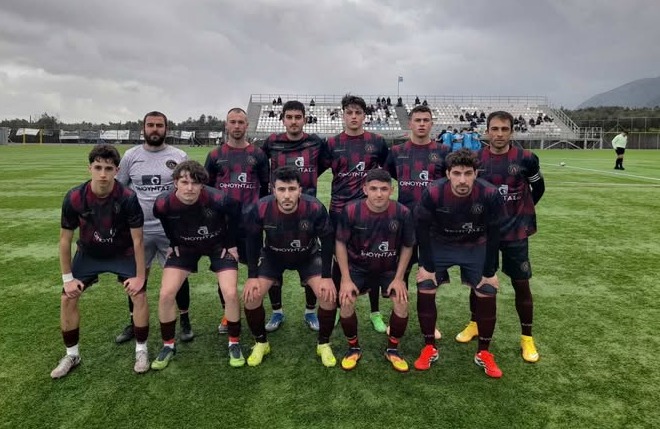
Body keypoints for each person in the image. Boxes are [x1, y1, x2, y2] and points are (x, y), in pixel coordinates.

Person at [51, 144, 149, 379]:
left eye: (108, 168)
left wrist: (140, 277)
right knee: (67, 297)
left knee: (139, 294)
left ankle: (142, 350)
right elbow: (65, 240)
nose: (103, 174)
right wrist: (67, 279)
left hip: (122, 252)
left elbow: (138, 240)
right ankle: (72, 355)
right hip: (89, 254)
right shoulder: (75, 197)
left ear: (117, 170)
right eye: (98, 168)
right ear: (90, 168)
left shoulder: (128, 198)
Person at [455, 111, 545, 364]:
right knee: (478, 282)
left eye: (504, 129)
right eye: (494, 129)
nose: (499, 134)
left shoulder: (526, 158)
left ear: (512, 132)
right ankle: (474, 323)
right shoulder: (476, 159)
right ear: (487, 131)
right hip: (484, 233)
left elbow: (539, 187)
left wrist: (522, 210)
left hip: (516, 232)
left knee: (521, 283)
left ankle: (526, 337)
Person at [414, 148, 505, 378]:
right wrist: (426, 266)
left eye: (467, 173)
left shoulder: (490, 194)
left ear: (476, 173)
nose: (462, 180)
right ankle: (429, 347)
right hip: (440, 243)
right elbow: (421, 230)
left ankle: (484, 352)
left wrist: (490, 271)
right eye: (456, 173)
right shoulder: (433, 192)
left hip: (474, 244)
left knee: (488, 289)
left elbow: (495, 233)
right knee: (425, 285)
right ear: (448, 174)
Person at [150, 161, 243, 370]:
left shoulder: (217, 198)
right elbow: (164, 220)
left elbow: (236, 211)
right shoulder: (163, 203)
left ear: (202, 184)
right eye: (184, 182)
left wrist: (230, 243)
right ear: (175, 183)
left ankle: (234, 342)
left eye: (195, 183)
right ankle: (168, 345)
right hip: (185, 246)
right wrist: (173, 243)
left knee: (230, 293)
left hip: (217, 245)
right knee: (166, 294)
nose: (190, 188)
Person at [242, 167, 337, 367]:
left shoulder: (314, 207)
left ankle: (323, 343)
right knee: (251, 296)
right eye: (282, 189)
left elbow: (328, 241)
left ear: (300, 190)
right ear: (273, 190)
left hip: (308, 255)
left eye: (292, 189)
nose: (287, 195)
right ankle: (261, 343)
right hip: (273, 255)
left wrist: (327, 277)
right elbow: (252, 241)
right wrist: (252, 276)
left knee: (328, 296)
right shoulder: (261, 208)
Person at [115, 111, 192, 345]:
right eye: (151, 125)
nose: (155, 129)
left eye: (159, 125)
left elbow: (188, 189)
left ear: (166, 129)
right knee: (136, 277)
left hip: (170, 230)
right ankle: (134, 322)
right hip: (139, 231)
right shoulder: (131, 156)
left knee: (178, 276)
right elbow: (120, 190)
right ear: (144, 128)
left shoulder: (179, 156)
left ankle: (185, 320)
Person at [322, 94, 390, 333]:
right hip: (339, 210)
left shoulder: (377, 142)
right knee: (338, 259)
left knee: (371, 258)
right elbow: (314, 171)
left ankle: (375, 311)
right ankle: (339, 306)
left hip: (368, 211)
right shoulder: (331, 144)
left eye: (358, 113)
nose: (353, 117)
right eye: (349, 112)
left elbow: (387, 173)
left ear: (364, 116)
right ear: (343, 115)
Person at [335, 169, 414, 372]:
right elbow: (340, 243)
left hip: (388, 269)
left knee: (402, 302)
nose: (379, 194)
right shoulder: (351, 211)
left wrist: (399, 278)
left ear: (392, 190)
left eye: (384, 189)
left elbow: (408, 246)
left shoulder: (403, 213)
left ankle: (393, 349)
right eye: (374, 189)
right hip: (358, 268)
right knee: (346, 301)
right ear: (365, 189)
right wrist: (345, 279)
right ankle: (353, 348)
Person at [261, 100, 327, 332]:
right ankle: (277, 312)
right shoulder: (272, 142)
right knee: (273, 257)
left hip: (307, 213)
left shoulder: (315, 142)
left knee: (310, 258)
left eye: (298, 117)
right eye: (289, 117)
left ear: (305, 119)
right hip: (278, 210)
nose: (293, 121)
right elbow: (260, 165)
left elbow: (324, 164)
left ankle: (310, 312)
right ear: (282, 120)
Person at [385, 105, 449, 339]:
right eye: (417, 120)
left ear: (432, 123)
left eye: (426, 120)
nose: (422, 124)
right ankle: (397, 319)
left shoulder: (444, 151)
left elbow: (449, 183)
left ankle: (429, 324)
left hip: (433, 224)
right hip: (405, 223)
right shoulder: (396, 151)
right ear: (410, 123)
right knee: (400, 274)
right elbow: (390, 176)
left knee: (430, 276)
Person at [204, 107, 269, 334]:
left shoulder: (258, 155)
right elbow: (207, 190)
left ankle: (256, 311)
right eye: (233, 122)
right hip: (223, 226)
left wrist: (259, 214)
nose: (237, 126)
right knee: (225, 273)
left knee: (257, 271)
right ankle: (227, 313)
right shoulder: (215, 155)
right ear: (226, 124)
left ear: (247, 125)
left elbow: (265, 188)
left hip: (251, 225)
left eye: (241, 122)